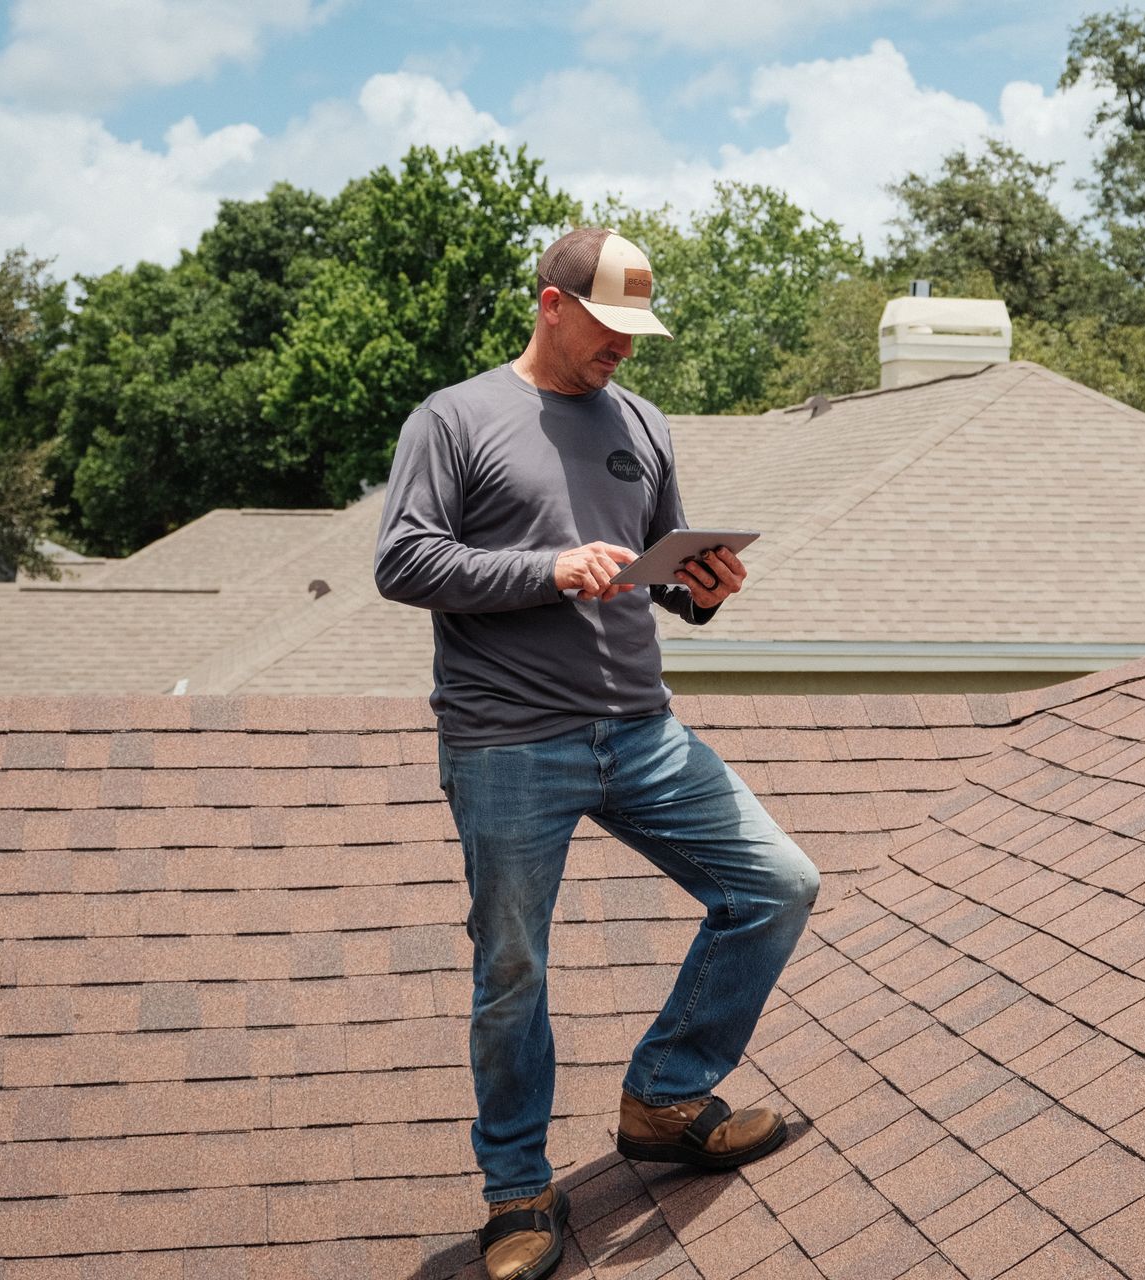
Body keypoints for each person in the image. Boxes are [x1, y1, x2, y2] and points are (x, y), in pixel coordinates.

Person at [373, 227, 820, 1280]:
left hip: (642, 726)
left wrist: (698, 591)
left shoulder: (642, 423)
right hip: (508, 741)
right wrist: (548, 566)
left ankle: (664, 1098)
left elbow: (657, 572)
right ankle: (518, 1188)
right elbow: (403, 558)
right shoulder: (457, 419)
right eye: (609, 327)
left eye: (637, 330)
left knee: (778, 884)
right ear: (552, 306)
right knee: (513, 968)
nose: (625, 347)